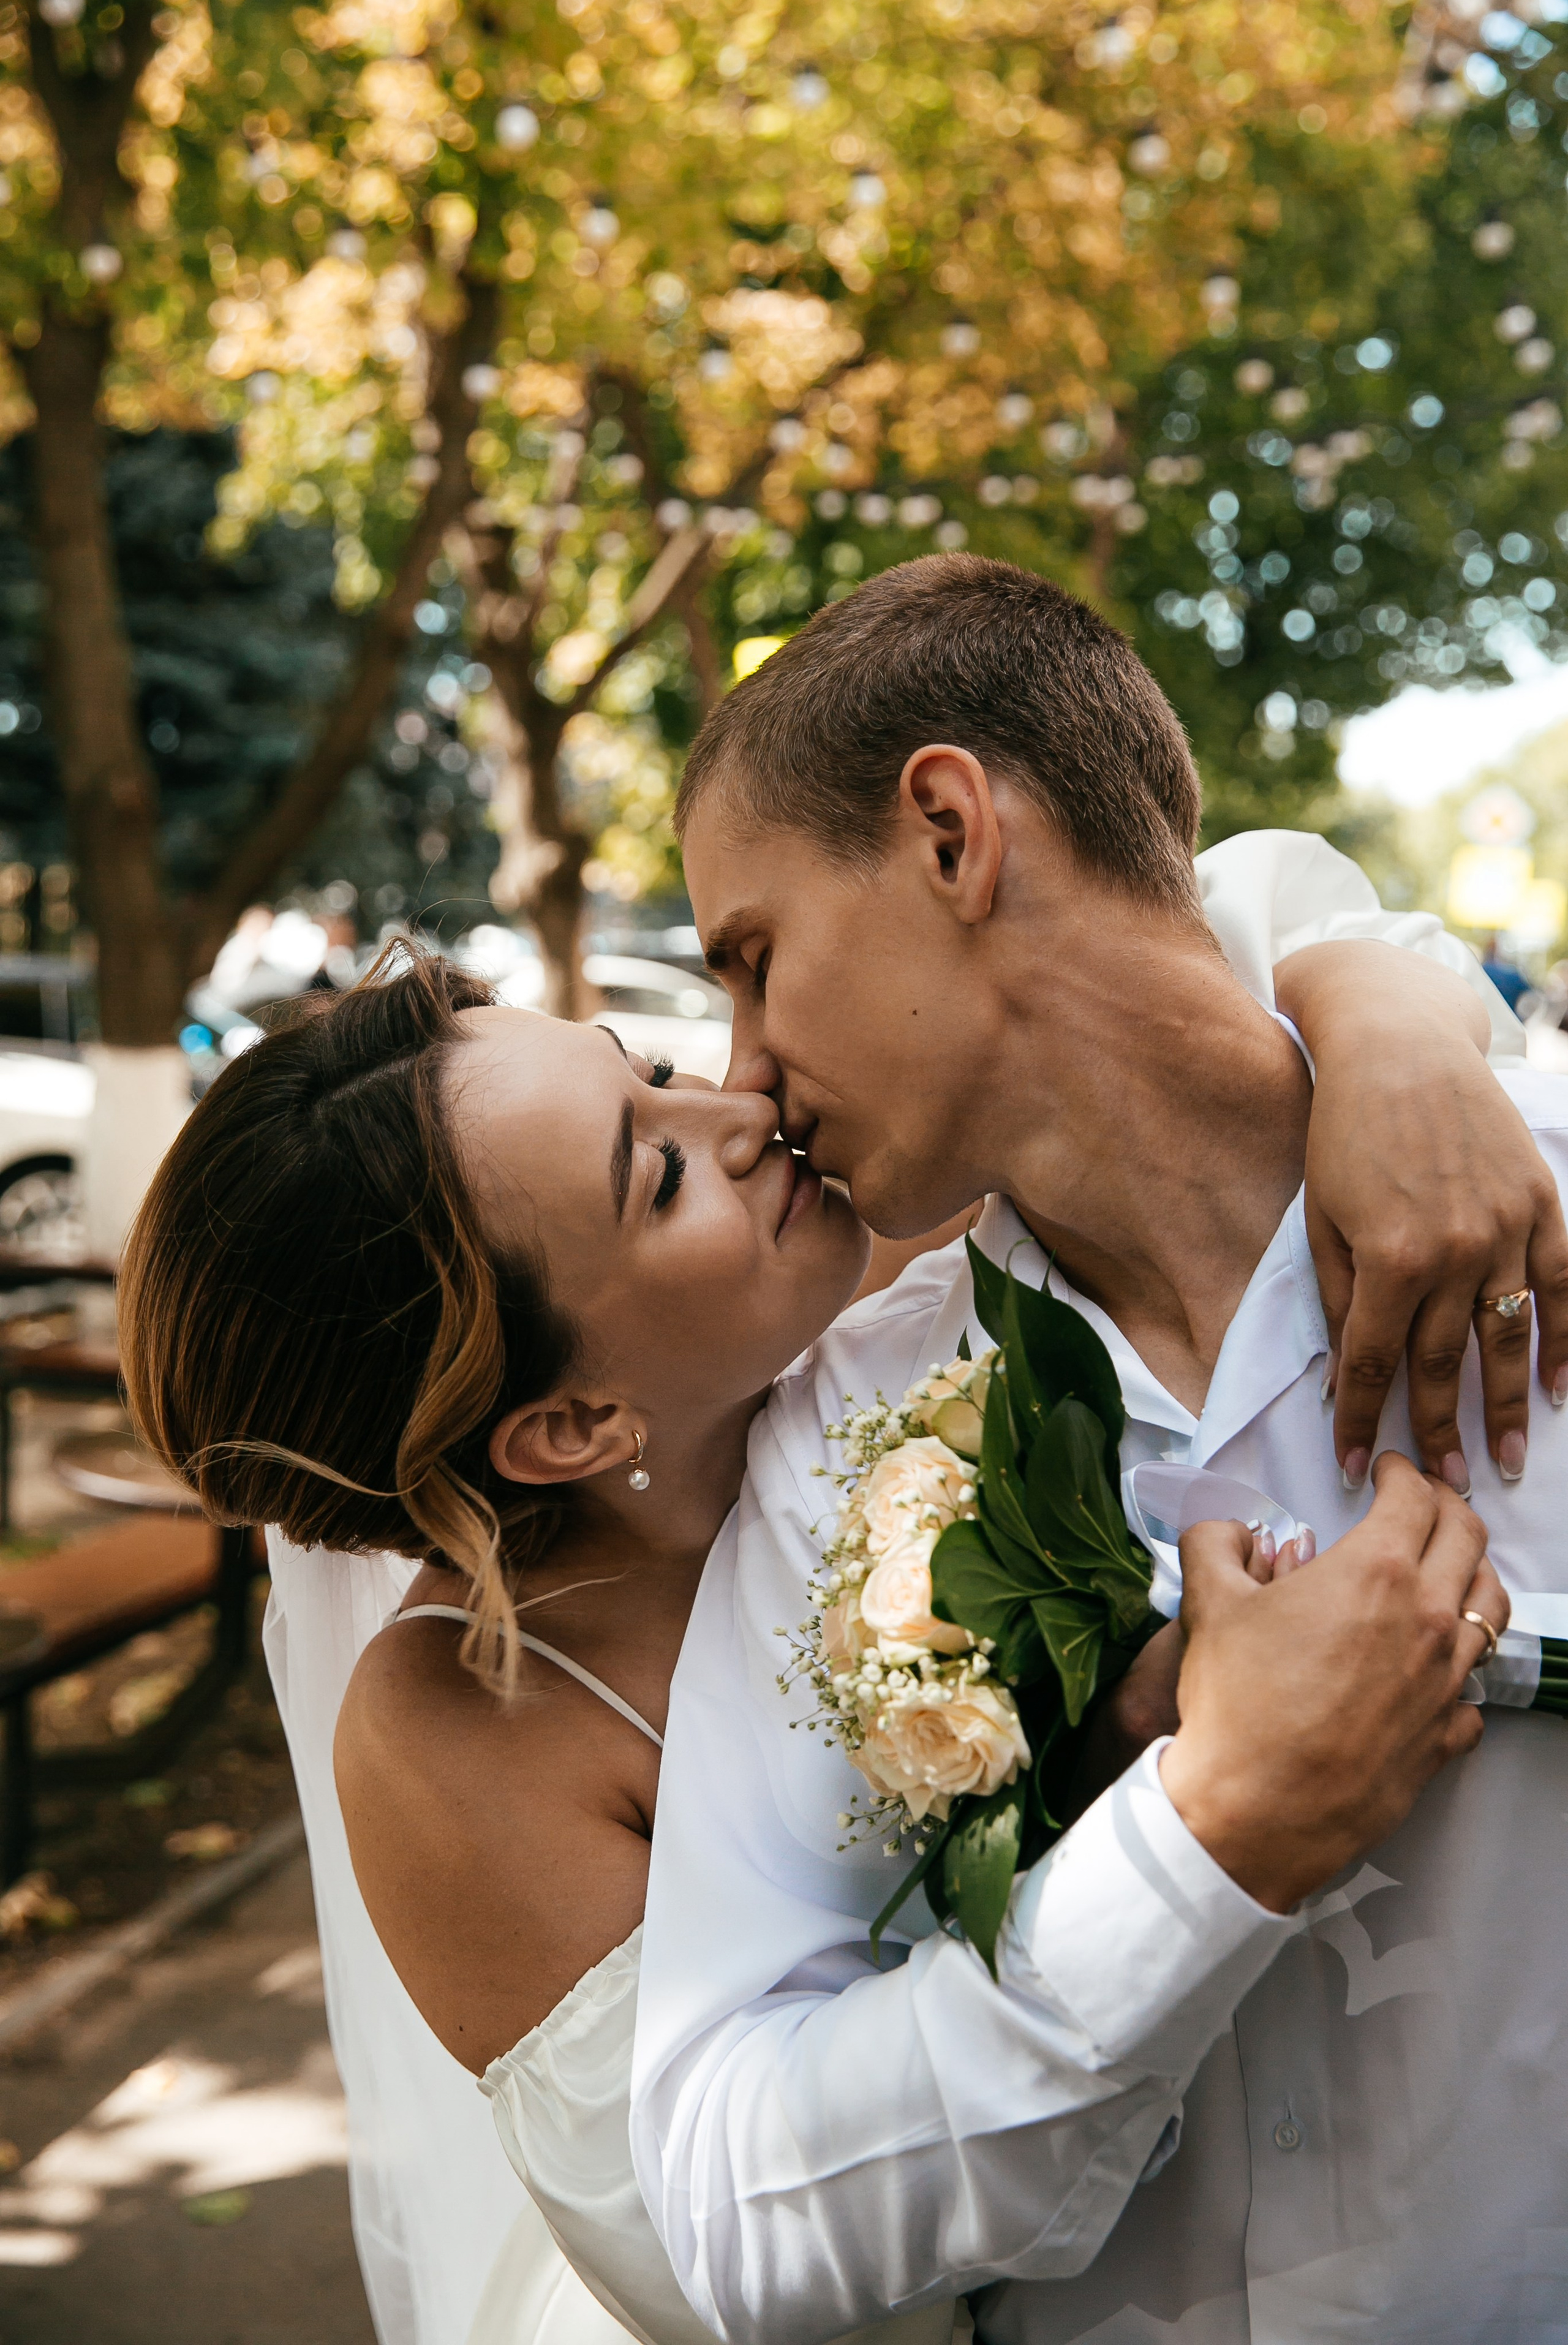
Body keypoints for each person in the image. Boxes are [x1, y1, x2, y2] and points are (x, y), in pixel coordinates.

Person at [121, 867, 1534, 2345]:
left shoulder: (882, 1234)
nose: (737, 1113)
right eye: (656, 1175)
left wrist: (1390, 1029)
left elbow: (1211, 908)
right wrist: (1182, 1793)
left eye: (648, 1070)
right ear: (570, 1427)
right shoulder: (457, 1737)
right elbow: (711, 2256)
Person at [627, 554, 1568, 2345]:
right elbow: (731, 2202)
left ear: (948, 834)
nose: (743, 1076)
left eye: (754, 960)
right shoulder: (853, 1443)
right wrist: (1202, 1848)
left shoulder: (1541, 1194)